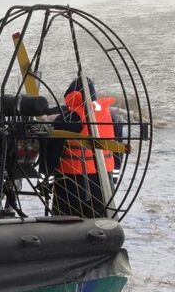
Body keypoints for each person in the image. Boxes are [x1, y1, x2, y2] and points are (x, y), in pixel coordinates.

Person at [44, 77, 120, 218]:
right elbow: (118, 151)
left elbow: (51, 153)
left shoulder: (68, 119)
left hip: (71, 184)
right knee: (101, 226)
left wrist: (45, 180)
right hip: (104, 181)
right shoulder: (112, 117)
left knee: (64, 225)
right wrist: (113, 178)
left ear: (70, 95)